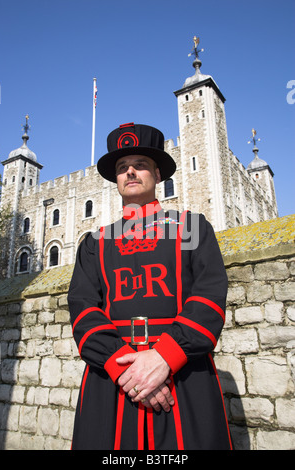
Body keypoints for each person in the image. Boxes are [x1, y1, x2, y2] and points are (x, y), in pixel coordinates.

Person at [67, 123, 232, 450]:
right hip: (112, 381)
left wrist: (165, 358)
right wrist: (125, 368)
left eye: (140, 164)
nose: (130, 172)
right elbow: (83, 311)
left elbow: (209, 299)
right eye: (121, 168)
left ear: (158, 174)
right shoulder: (94, 244)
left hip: (183, 376)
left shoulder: (192, 228)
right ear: (115, 180)